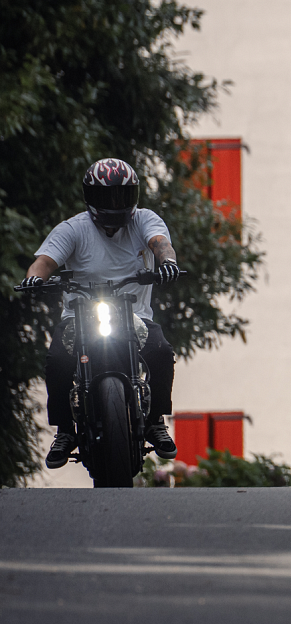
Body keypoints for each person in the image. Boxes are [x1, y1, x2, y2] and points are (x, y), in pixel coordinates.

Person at [20, 158, 182, 469]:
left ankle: (155, 421)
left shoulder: (144, 220)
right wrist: (34, 279)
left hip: (136, 318)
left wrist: (167, 262)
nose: (114, 204)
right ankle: (65, 431)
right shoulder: (73, 229)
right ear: (90, 197)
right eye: (106, 197)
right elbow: (44, 262)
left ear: (134, 196)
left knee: (161, 352)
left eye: (122, 196)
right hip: (78, 319)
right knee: (57, 361)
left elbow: (161, 244)